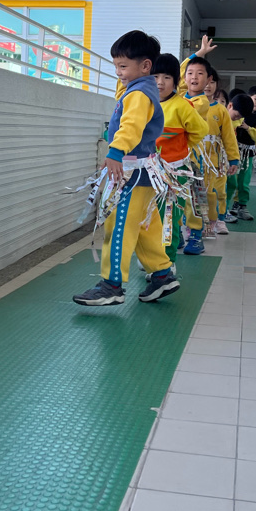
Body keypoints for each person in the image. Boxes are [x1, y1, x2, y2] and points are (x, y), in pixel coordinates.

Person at [73, 30, 180, 307]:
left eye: (123, 66)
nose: (118, 72)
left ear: (145, 66)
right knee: (145, 227)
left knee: (118, 225)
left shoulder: (139, 94)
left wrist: (116, 151)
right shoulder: (142, 89)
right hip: (145, 173)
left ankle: (112, 285)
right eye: (116, 66)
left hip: (131, 175)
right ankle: (162, 275)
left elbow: (131, 126)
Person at [152, 52, 209, 266]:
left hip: (175, 172)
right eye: (155, 76)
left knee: (170, 218)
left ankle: (167, 263)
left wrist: (183, 146)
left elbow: (200, 130)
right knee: (149, 216)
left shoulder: (183, 106)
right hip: (148, 172)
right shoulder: (144, 102)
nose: (160, 82)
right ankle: (152, 257)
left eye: (167, 77)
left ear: (177, 81)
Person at [178, 52, 215, 254]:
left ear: (208, 80)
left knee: (193, 198)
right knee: (175, 197)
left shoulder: (201, 102)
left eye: (200, 73)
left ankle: (196, 236)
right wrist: (197, 54)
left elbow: (183, 113)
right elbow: (177, 74)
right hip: (173, 158)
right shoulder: (181, 96)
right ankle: (176, 234)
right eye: (190, 73)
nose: (193, 77)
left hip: (191, 159)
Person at [204, 70, 240, 234]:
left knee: (219, 191)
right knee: (197, 191)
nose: (208, 85)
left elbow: (229, 137)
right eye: (205, 81)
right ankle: (198, 223)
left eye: (212, 82)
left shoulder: (221, 110)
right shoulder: (190, 106)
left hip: (216, 159)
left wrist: (233, 159)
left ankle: (220, 220)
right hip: (195, 158)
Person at [231, 86, 256, 221]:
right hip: (233, 153)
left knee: (244, 182)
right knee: (231, 181)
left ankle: (242, 206)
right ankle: (227, 208)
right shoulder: (237, 113)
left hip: (248, 155)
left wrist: (248, 128)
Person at [224, 93, 256, 223]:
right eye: (237, 115)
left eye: (240, 117)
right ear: (230, 105)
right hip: (215, 159)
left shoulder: (237, 122)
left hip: (229, 158)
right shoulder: (220, 117)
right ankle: (218, 213)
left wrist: (234, 160)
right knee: (219, 186)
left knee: (232, 183)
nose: (237, 119)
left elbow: (232, 142)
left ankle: (223, 211)